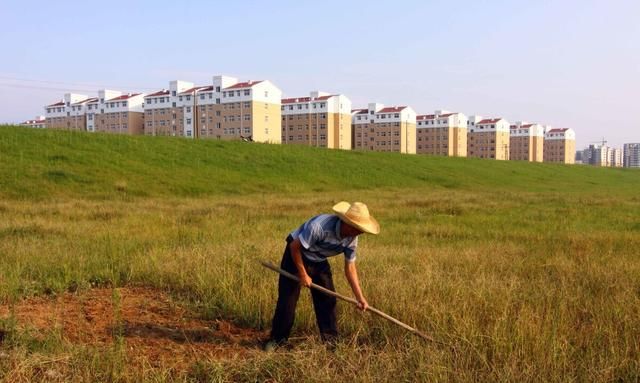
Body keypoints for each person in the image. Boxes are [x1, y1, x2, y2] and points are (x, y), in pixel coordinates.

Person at [264, 201, 380, 351]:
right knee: (288, 300)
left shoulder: (352, 239)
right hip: (296, 255)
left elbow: (350, 267)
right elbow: (294, 247)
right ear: (347, 223)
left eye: (362, 229)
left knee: (327, 299)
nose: (360, 232)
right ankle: (277, 340)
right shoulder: (320, 227)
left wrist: (360, 297)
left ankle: (331, 342)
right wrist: (303, 274)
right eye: (358, 228)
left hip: (319, 260)